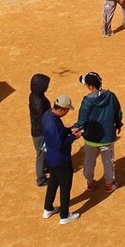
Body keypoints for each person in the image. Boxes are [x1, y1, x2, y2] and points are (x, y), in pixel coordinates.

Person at [74, 71, 122, 193]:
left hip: (90, 138)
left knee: (89, 159)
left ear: (91, 87)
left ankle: (90, 183)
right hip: (107, 137)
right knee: (108, 160)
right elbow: (117, 113)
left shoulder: (86, 101)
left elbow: (82, 120)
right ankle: (109, 184)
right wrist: (118, 124)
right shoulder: (111, 96)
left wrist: (75, 129)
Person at [41, 95, 82, 224]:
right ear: (62, 110)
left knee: (53, 182)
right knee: (65, 187)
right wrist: (73, 137)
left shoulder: (48, 115)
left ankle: (48, 208)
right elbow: (61, 145)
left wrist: (69, 130)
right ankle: (64, 215)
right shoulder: (53, 124)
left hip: (51, 159)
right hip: (61, 160)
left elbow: (59, 134)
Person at [29, 74, 52, 187]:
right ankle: (41, 179)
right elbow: (44, 118)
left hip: (38, 131)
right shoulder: (39, 102)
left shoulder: (34, 96)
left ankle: (46, 168)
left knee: (43, 152)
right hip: (40, 133)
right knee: (41, 154)